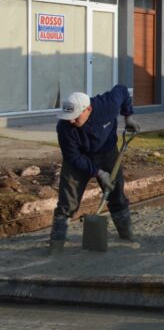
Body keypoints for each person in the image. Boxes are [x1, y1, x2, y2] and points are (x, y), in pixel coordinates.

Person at [51, 85, 141, 253]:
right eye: (68, 116)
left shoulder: (107, 104)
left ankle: (127, 236)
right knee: (66, 202)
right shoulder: (64, 128)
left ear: (88, 109)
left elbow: (122, 90)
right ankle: (55, 246)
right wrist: (99, 173)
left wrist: (128, 117)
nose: (70, 120)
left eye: (75, 117)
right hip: (79, 157)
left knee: (116, 194)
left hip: (107, 153)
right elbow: (73, 157)